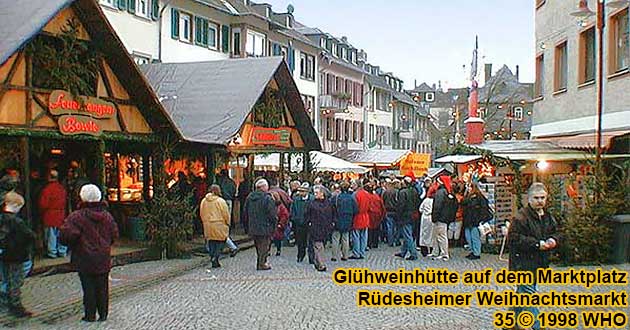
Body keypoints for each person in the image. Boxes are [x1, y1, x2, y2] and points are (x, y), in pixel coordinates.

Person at [60, 184, 118, 322]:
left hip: (84, 257)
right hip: (102, 257)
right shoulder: (107, 216)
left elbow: (66, 236)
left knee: (88, 287)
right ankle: (103, 313)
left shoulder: (76, 217)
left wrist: (72, 244)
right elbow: (114, 234)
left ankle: (90, 315)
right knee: (102, 286)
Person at [509, 183, 559, 330]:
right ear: (529, 199)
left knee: (522, 293)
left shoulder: (548, 216)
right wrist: (537, 244)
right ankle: (538, 325)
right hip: (522, 262)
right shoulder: (521, 217)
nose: (540, 200)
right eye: (536, 198)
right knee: (529, 294)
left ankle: (511, 323)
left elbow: (557, 231)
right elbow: (514, 238)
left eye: (542, 197)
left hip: (538, 261)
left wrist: (553, 240)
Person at [0, 192, 35, 317]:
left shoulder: (2, 218)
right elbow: (29, 235)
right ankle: (15, 306)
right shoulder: (17, 221)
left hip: (4, 254)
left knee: (6, 278)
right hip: (16, 255)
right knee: (15, 280)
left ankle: (5, 301)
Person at [243, 179, 277, 271]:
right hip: (265, 225)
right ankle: (262, 263)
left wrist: (247, 225)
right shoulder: (267, 198)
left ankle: (261, 262)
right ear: (263, 187)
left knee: (258, 245)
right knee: (264, 246)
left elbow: (245, 212)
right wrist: (274, 223)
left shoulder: (250, 197)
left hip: (253, 226)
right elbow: (272, 213)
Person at [38, 170, 68, 258]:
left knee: (51, 235)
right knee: (61, 234)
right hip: (61, 213)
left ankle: (52, 252)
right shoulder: (61, 188)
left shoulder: (47, 189)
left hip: (50, 214)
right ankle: (62, 251)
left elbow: (43, 204)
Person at [199, 185, 230, 268]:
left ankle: (213, 257)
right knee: (221, 241)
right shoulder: (220, 201)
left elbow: (201, 212)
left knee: (211, 241)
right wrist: (228, 222)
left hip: (207, 224)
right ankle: (215, 257)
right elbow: (225, 213)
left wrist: (204, 221)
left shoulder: (203, 201)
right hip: (219, 223)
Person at [304, 187, 334, 271]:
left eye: (317, 193)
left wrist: (332, 223)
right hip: (315, 227)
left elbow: (332, 214)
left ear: (322, 194)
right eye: (315, 193)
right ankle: (321, 264)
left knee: (320, 245)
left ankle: (317, 262)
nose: (315, 194)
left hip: (325, 227)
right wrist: (308, 223)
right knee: (318, 245)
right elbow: (307, 215)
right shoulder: (311, 204)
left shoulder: (328, 203)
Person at [429, 176, 457, 261]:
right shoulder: (449, 192)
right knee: (439, 235)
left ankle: (444, 253)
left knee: (441, 236)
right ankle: (436, 252)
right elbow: (455, 205)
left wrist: (434, 217)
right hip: (445, 218)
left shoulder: (440, 192)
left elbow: (437, 206)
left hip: (440, 218)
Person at [330, 182, 357, 262]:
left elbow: (331, 208)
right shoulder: (351, 198)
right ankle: (345, 255)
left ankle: (334, 256)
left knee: (335, 238)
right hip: (347, 219)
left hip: (337, 219)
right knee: (345, 238)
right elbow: (355, 209)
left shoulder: (336, 197)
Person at [462, 182, 490, 260]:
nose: (469, 189)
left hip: (475, 220)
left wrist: (481, 219)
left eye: (470, 187)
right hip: (468, 220)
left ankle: (476, 253)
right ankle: (473, 250)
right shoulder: (468, 196)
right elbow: (463, 202)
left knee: (475, 237)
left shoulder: (479, 197)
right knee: (468, 237)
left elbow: (484, 209)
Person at [394, 177, 419, 260]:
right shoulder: (414, 191)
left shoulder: (402, 192)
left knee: (407, 235)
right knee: (407, 234)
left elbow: (400, 206)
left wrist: (398, 216)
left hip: (405, 216)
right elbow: (418, 202)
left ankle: (413, 254)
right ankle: (403, 252)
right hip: (413, 215)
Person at [290, 183, 314, 263]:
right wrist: (295, 219)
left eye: (302, 191)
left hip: (310, 223)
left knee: (310, 241)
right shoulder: (296, 199)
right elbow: (292, 210)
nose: (301, 193)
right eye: (300, 191)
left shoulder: (311, 199)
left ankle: (311, 257)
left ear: (307, 192)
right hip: (299, 223)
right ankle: (300, 255)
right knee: (301, 241)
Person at [349, 179, 370, 260]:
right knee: (364, 236)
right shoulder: (367, 194)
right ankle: (362, 252)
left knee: (356, 236)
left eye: (353, 184)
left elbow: (354, 207)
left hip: (358, 217)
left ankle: (356, 253)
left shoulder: (355, 194)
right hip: (365, 216)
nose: (352, 185)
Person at [418, 183, 437, 257]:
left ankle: (424, 249)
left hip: (425, 218)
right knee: (431, 234)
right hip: (431, 217)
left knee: (424, 233)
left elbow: (420, 209)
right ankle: (431, 248)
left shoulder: (426, 200)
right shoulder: (435, 201)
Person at [271, 191, 289, 256]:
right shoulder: (270, 204)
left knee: (277, 238)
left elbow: (285, 215)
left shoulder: (280, 206)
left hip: (278, 224)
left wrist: (281, 223)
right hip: (271, 224)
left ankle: (278, 250)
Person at [366, 185, 385, 249]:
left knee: (370, 230)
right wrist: (382, 215)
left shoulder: (368, 197)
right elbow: (382, 206)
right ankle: (375, 243)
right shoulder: (377, 197)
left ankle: (369, 243)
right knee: (376, 229)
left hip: (370, 214)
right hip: (377, 214)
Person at [382, 180, 399, 247]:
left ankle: (390, 241)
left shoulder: (385, 192)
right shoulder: (396, 192)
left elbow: (383, 201)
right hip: (395, 211)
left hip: (388, 211)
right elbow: (398, 201)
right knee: (396, 227)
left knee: (389, 227)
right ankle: (396, 240)